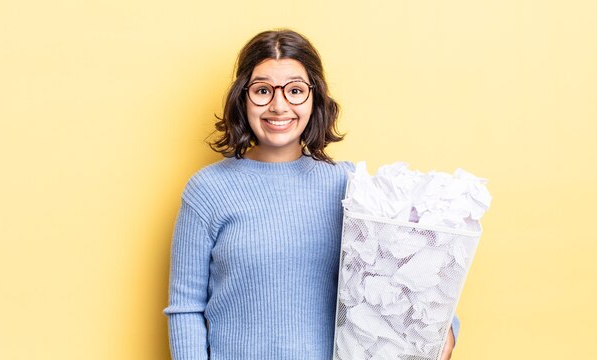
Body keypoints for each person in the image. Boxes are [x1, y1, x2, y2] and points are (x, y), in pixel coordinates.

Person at [164, 29, 457, 360]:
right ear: (242, 98)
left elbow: (409, 275)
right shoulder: (207, 191)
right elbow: (186, 308)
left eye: (295, 91)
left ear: (315, 97)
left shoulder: (352, 187)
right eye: (262, 90)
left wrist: (445, 329)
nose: (278, 106)